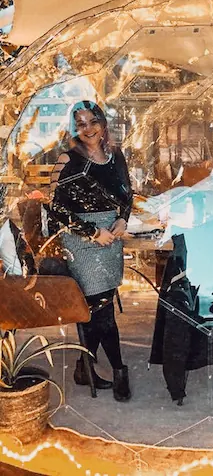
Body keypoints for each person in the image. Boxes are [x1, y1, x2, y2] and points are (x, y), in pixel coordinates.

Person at [49, 100, 133, 402]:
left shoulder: (115, 155)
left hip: (111, 235)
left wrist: (123, 218)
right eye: (80, 124)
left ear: (102, 122)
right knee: (100, 306)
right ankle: (119, 369)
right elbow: (55, 208)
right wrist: (92, 232)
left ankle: (85, 367)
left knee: (100, 303)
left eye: (92, 121)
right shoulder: (68, 159)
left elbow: (127, 194)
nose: (87, 129)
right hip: (83, 239)